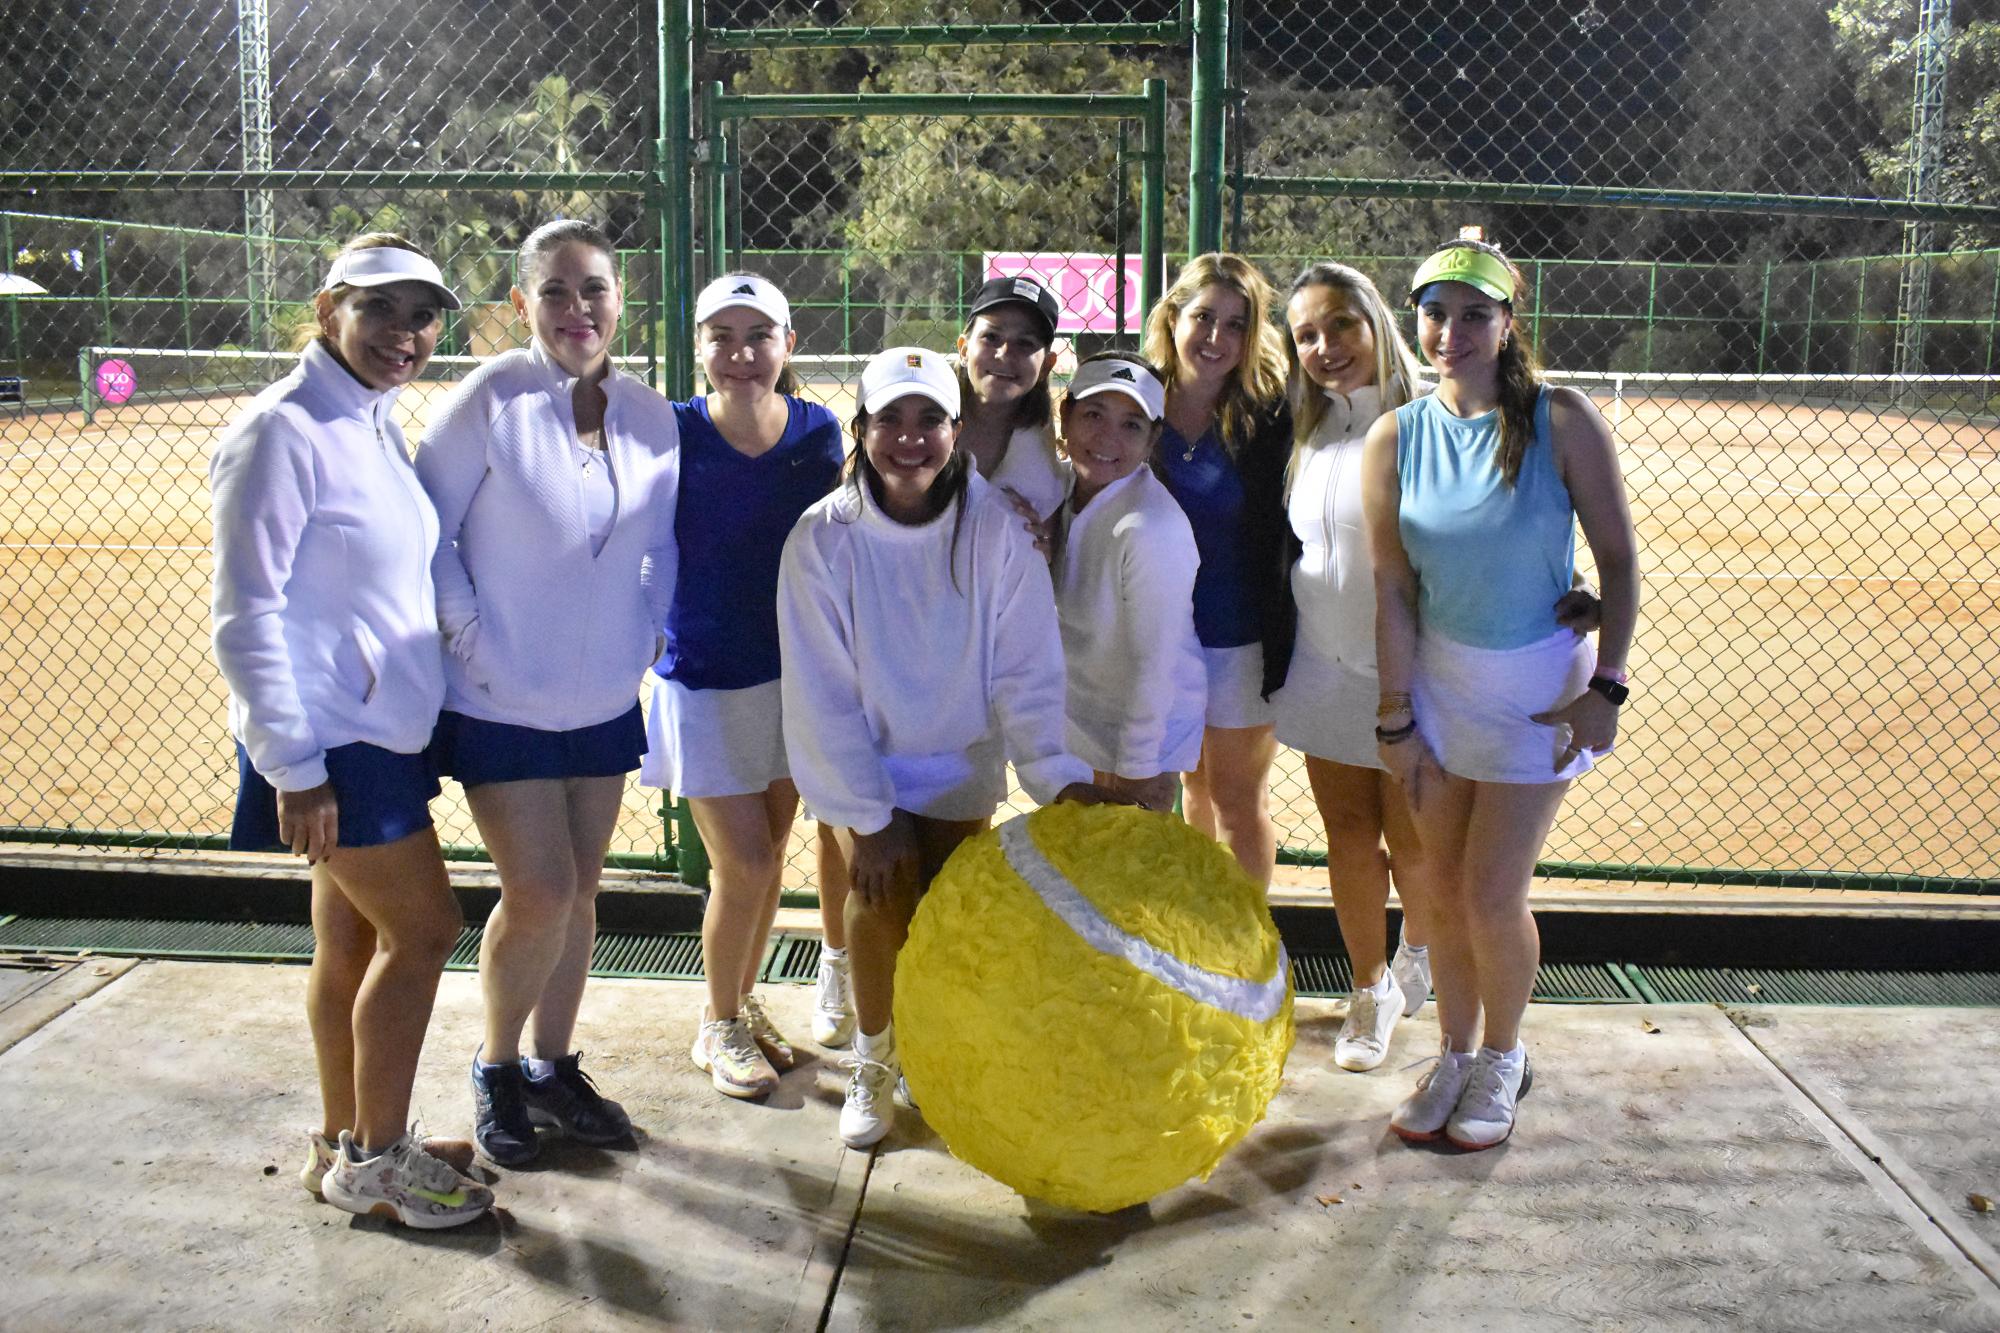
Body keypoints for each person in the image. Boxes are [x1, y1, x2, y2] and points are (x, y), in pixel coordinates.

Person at [211, 232, 491, 1228]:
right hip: (331, 744)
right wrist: (292, 765)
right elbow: (245, 613)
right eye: (380, 310)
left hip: (373, 730)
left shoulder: (369, 422)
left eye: (421, 316)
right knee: (425, 931)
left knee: (353, 945)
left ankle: (346, 1136)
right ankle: (377, 1161)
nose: (404, 334)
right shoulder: (281, 429)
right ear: (331, 308)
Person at [776, 346, 1122, 1150]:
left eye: (929, 418)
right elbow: (822, 695)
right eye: (888, 419)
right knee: (880, 899)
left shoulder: (998, 530)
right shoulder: (820, 540)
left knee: (949, 916)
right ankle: (873, 1058)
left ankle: (930, 1054)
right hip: (867, 766)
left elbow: (1028, 667)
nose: (909, 436)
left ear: (957, 430)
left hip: (961, 763)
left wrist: (1056, 778)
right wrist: (868, 815)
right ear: (858, 430)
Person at [1362, 239, 1638, 1150]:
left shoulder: (1560, 418)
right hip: (1439, 693)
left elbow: (1619, 559)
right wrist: (1395, 715)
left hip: (1539, 698)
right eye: (1435, 312)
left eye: (1474, 313)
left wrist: (1608, 686)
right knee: (1435, 891)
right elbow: (1395, 590)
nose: (1451, 332)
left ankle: (1504, 1057)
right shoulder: (1395, 436)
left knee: (1489, 892)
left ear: (1509, 322)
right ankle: (1453, 1051)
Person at [415, 218, 680, 1165]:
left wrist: (647, 630)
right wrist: (471, 636)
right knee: (541, 889)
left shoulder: (651, 414)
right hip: (501, 699)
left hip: (605, 699)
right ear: (523, 305)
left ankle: (554, 1066)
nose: (578, 308)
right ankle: (495, 1069)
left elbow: (661, 546)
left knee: (582, 891)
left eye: (595, 288)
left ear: (619, 298)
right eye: (556, 291)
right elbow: (427, 528)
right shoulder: (492, 395)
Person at [638, 272, 847, 1098]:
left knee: (768, 859)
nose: (740, 353)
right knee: (748, 864)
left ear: (787, 345)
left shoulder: (819, 433)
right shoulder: (671, 430)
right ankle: (716, 1024)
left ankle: (743, 1001)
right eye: (721, 335)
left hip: (793, 675)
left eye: (758, 335)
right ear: (700, 349)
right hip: (702, 677)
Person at [1273, 262, 1436, 1073]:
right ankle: (1370, 988)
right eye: (1306, 334)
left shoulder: (1432, 423)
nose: (1325, 346)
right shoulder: (1306, 432)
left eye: (1341, 325)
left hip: (1411, 675)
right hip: (1323, 669)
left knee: (1413, 847)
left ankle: (1421, 951)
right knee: (1347, 838)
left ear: (1375, 323)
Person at [1141, 254, 1295, 884]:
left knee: (1236, 800)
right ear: (1173, 316)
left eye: (1236, 324)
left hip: (1238, 638)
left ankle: (1247, 949)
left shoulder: (1269, 415)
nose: (1215, 338)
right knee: (1190, 788)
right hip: (1154, 636)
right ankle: (1201, 929)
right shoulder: (1135, 399)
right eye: (1203, 317)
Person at [1050, 353, 1205, 814]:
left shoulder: (1149, 528)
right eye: (1094, 415)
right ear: (1065, 415)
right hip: (1084, 724)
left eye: (1132, 425)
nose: (1107, 439)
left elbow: (1154, 666)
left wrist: (1137, 773)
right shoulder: (1058, 488)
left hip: (1139, 742)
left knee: (1122, 878)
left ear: (1154, 437)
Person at [953, 274, 1069, 522]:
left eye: (1025, 343)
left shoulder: (1042, 459)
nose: (1005, 354)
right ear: (964, 349)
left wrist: (1046, 544)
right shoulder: (924, 415)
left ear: (1047, 366)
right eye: (991, 337)